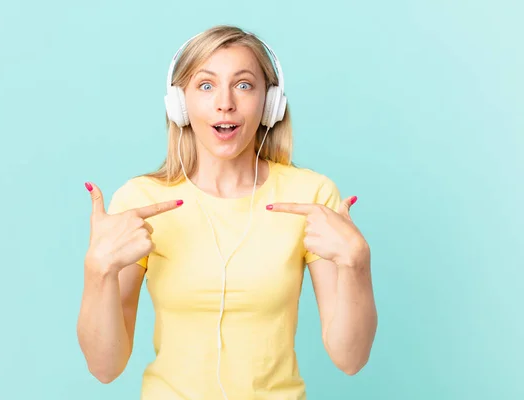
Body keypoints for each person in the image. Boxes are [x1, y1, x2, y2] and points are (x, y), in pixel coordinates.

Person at [77, 25, 377, 400]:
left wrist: (357, 264)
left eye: (244, 85)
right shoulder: (140, 201)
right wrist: (97, 270)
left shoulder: (310, 195)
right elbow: (105, 368)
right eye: (206, 85)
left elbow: (350, 358)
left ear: (270, 104)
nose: (225, 103)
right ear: (180, 104)